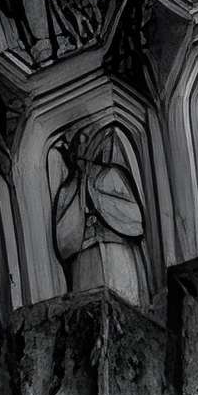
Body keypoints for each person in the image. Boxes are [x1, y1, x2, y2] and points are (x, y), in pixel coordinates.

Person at [50, 124, 150, 304]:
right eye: (75, 141)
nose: (80, 144)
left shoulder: (113, 174)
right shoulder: (67, 190)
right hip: (85, 262)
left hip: (118, 254)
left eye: (85, 138)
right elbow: (63, 243)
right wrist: (80, 190)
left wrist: (96, 195)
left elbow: (136, 220)